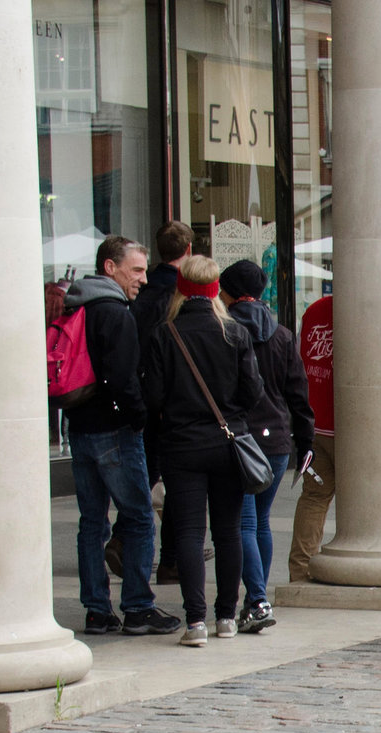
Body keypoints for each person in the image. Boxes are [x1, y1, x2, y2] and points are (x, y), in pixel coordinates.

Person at [140, 255, 264, 646]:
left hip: (181, 445)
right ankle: (226, 616)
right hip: (228, 442)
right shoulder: (235, 333)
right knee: (228, 532)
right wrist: (231, 414)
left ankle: (195, 622)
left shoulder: (165, 334)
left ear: (181, 288)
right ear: (214, 290)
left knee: (189, 534)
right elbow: (253, 391)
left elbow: (153, 397)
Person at [63, 236, 181, 638]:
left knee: (91, 522)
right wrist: (139, 418)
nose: (143, 279)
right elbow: (123, 377)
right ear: (110, 267)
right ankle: (137, 607)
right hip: (114, 429)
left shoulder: (77, 306)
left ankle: (97, 610)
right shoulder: (114, 312)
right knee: (138, 518)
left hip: (80, 427)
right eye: (136, 270)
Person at [219, 261, 314, 632]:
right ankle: (256, 598)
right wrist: (305, 442)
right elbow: (298, 393)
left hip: (240, 438)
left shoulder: (225, 329)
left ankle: (257, 600)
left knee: (244, 522)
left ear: (228, 292)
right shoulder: (282, 335)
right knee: (260, 522)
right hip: (276, 439)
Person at [134, 221, 196, 583]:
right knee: (171, 480)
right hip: (168, 400)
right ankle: (169, 557)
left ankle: (128, 542)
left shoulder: (142, 289)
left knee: (146, 473)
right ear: (188, 249)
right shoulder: (178, 295)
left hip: (141, 394)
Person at [288, 294, 334, 584]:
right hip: (350, 429)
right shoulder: (365, 309)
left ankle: (300, 569)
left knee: (314, 497)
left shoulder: (314, 310)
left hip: (314, 423)